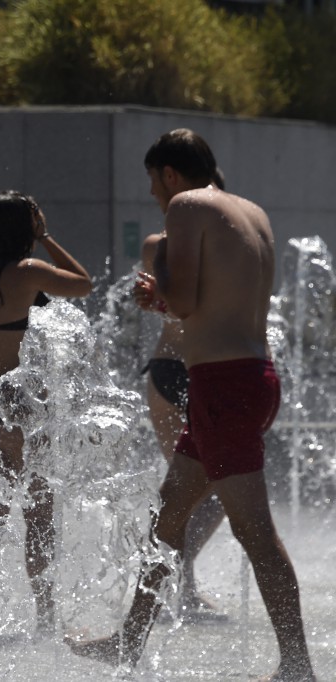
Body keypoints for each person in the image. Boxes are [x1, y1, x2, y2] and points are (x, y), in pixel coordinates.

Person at [69, 129, 316, 681]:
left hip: (222, 384)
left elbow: (182, 301)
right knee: (168, 516)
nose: (154, 195)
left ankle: (298, 666)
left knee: (254, 531)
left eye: (153, 181)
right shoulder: (251, 210)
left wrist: (152, 294)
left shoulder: (185, 206)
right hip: (253, 376)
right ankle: (129, 643)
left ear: (170, 175)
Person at [0, 191, 92, 635]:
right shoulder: (28, 270)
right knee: (38, 515)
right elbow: (84, 282)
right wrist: (46, 236)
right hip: (17, 407)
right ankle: (47, 621)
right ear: (25, 226)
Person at [139, 228, 227, 622]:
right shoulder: (179, 244)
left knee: (203, 490)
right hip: (186, 368)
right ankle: (179, 588)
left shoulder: (164, 245)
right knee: (196, 489)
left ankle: (176, 583)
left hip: (182, 369)